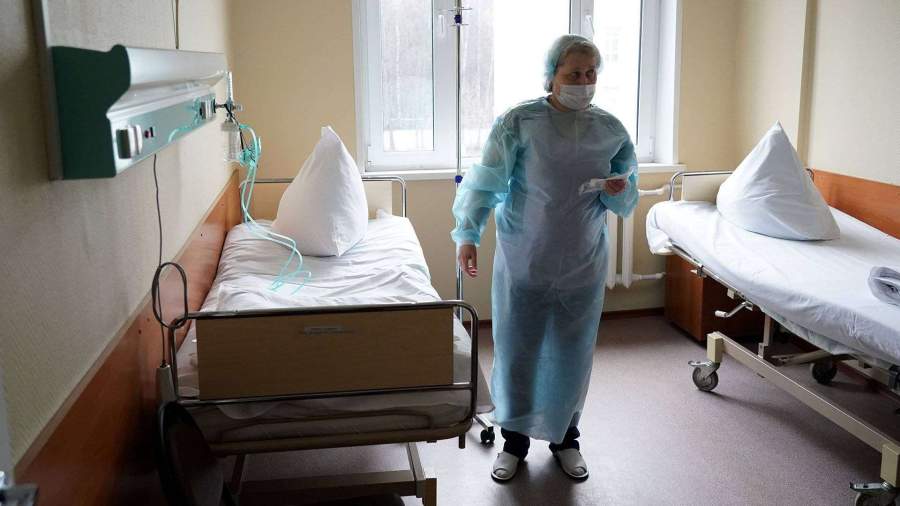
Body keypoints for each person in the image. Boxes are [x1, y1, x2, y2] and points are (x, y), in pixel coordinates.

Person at [450, 34, 639, 482]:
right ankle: (514, 442)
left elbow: (624, 198)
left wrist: (618, 188)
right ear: (552, 75)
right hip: (526, 257)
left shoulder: (610, 130)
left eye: (590, 74)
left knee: (573, 353)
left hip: (582, 260)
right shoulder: (520, 122)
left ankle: (565, 439)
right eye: (573, 74)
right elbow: (485, 181)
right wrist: (468, 234)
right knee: (520, 349)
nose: (583, 82)